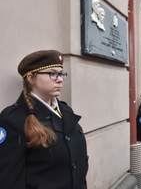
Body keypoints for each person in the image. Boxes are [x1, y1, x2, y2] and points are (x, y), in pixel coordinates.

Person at [0, 50, 89, 188]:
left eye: (61, 74)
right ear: (31, 78)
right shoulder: (13, 120)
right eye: (52, 73)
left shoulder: (65, 110)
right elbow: (9, 181)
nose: (59, 79)